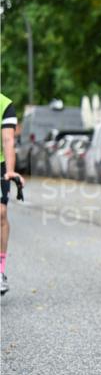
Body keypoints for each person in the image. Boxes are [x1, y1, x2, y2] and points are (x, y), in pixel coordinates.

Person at [1, 92, 21, 296]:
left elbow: (8, 140)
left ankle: (0, 271)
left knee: (1, 213)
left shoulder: (4, 104)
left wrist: (10, 170)